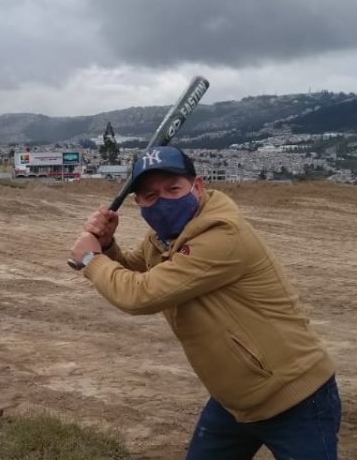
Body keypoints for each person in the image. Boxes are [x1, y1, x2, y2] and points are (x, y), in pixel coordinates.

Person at [69, 146, 340, 460]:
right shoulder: (164, 237)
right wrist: (107, 247)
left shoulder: (222, 234)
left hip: (295, 397)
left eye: (173, 189)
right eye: (151, 195)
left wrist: (90, 260)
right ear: (138, 202)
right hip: (234, 401)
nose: (163, 201)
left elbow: (141, 294)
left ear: (197, 186)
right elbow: (136, 268)